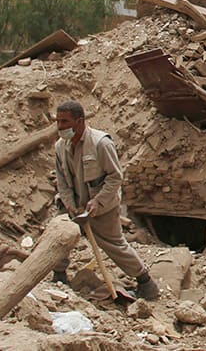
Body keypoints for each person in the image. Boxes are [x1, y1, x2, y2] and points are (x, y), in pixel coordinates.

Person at [52, 100, 159, 300]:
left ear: (79, 121)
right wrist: (70, 204)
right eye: (58, 121)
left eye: (65, 122)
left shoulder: (101, 143)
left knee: (114, 244)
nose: (60, 127)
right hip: (74, 206)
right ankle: (59, 276)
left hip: (102, 207)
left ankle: (145, 281)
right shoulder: (60, 146)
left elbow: (115, 177)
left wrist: (98, 202)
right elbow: (62, 180)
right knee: (61, 238)